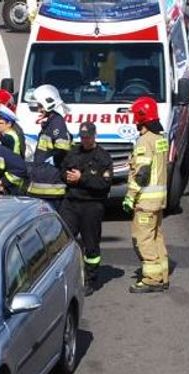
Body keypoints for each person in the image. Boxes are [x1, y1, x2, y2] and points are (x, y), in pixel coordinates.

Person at [123, 96, 169, 294]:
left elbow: (141, 174)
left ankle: (152, 279)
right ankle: (162, 275)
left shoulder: (144, 141)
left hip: (145, 202)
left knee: (143, 239)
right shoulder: (160, 139)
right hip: (159, 201)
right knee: (156, 237)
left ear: (140, 118)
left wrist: (130, 197)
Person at [60, 122, 112, 295]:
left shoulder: (103, 157)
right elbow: (63, 171)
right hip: (72, 203)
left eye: (88, 137)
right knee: (64, 239)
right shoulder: (74, 152)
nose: (85, 140)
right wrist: (67, 177)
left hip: (92, 204)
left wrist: (82, 179)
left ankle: (90, 279)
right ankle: (66, 275)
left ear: (94, 135)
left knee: (91, 244)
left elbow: (103, 184)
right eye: (82, 137)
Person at [26, 84, 72, 209]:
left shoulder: (57, 122)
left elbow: (62, 148)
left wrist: (50, 162)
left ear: (48, 104)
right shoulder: (50, 123)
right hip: (43, 184)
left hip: (51, 187)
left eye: (40, 106)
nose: (39, 109)